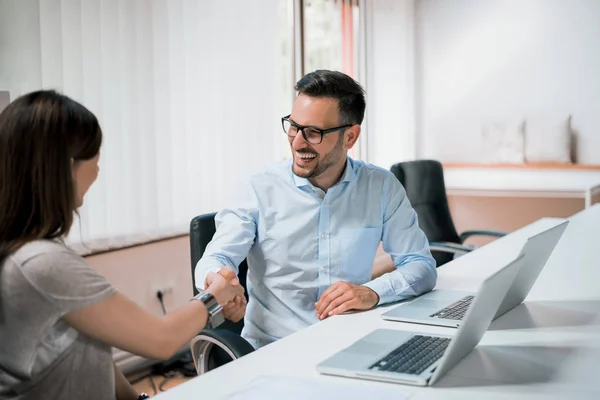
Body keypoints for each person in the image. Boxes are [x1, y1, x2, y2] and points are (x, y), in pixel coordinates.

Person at [0, 90, 244, 400]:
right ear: (65, 167)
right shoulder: (41, 263)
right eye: (94, 157)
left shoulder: (25, 250)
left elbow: (92, 340)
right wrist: (217, 295)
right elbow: (161, 339)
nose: (98, 170)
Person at [195, 69, 437, 350]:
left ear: (350, 137)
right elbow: (217, 257)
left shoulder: (380, 187)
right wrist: (219, 282)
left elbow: (421, 265)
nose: (297, 142)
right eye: (294, 126)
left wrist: (372, 291)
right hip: (274, 350)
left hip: (350, 344)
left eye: (313, 133)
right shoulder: (257, 189)